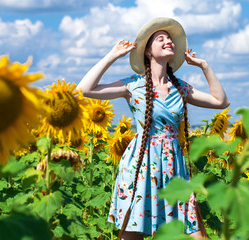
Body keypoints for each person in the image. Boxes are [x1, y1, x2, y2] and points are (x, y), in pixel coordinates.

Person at [77, 17, 229, 240]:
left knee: (195, 234)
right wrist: (112, 56)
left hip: (173, 166)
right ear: (148, 52)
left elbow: (221, 102)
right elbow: (84, 89)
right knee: (133, 234)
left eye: (170, 38)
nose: (169, 41)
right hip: (141, 165)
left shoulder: (180, 87)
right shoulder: (133, 85)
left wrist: (204, 66)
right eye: (161, 38)